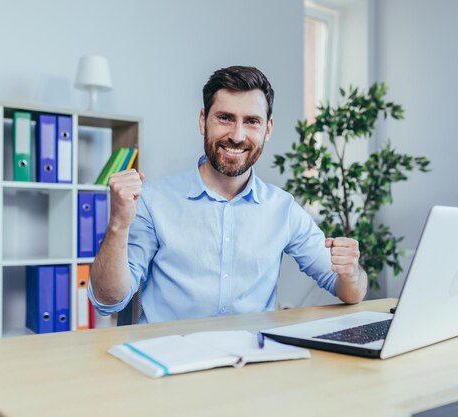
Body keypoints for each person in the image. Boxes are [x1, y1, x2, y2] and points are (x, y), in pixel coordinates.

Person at [89, 65, 367, 323]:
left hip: (251, 361)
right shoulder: (154, 200)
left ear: (267, 129)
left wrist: (350, 272)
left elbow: (349, 291)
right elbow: (108, 301)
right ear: (203, 121)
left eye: (252, 121)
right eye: (225, 118)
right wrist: (118, 224)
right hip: (169, 362)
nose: (237, 135)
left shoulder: (283, 208)